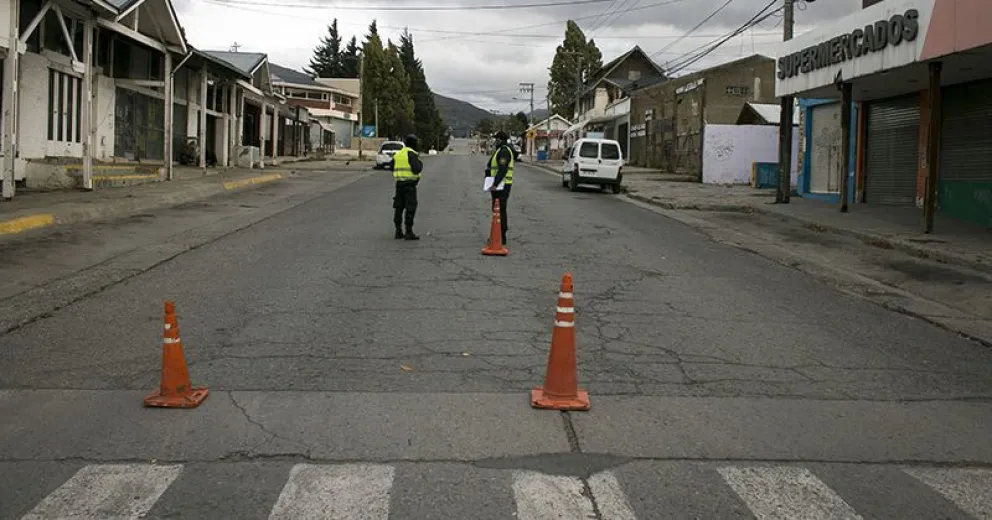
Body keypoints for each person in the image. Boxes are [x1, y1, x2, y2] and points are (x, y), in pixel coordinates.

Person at [387, 134, 424, 240]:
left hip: (399, 185)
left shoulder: (399, 154)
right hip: (410, 185)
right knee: (410, 208)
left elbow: (391, 167)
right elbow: (417, 169)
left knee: (399, 208)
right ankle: (409, 231)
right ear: (414, 144)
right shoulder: (411, 154)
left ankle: (398, 231)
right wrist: (420, 163)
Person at [484, 131, 518, 244]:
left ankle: (501, 236)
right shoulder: (500, 150)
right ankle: (497, 235)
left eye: (496, 139)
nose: (494, 141)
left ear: (500, 139)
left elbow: (502, 169)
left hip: (502, 186)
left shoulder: (504, 151)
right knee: (497, 211)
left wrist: (495, 184)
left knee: (500, 211)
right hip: (499, 185)